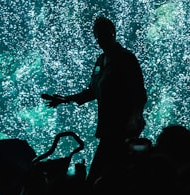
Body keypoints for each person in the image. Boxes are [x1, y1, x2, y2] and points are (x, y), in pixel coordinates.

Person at [43, 16, 147, 183]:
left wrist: (136, 116)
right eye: (98, 37)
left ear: (113, 34)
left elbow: (139, 92)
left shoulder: (126, 59)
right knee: (112, 175)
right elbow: (93, 90)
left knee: (102, 175)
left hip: (124, 128)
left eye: (104, 36)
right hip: (108, 128)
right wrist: (66, 99)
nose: (100, 41)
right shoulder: (101, 60)